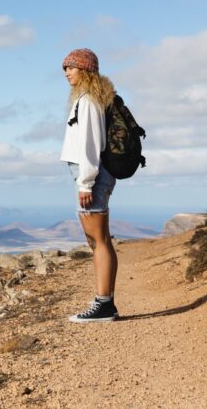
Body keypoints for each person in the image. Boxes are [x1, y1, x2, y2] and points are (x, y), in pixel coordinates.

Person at [60, 48, 119, 323]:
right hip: (91, 176)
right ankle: (105, 300)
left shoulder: (88, 101)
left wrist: (85, 183)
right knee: (99, 240)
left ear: (85, 70)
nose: (66, 72)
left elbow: (90, 145)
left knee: (99, 241)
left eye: (71, 67)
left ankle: (104, 305)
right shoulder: (87, 98)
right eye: (65, 68)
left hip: (91, 177)